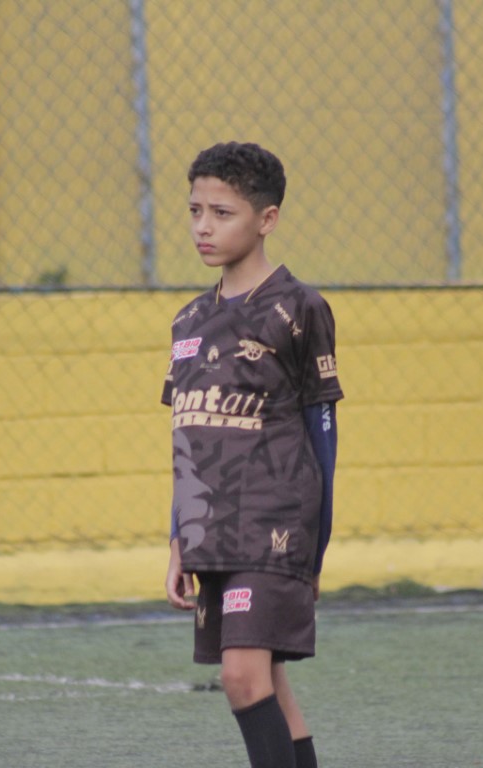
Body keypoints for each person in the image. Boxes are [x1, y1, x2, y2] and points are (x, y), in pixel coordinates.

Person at [163, 142, 343, 768]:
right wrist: (178, 538)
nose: (203, 227)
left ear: (267, 219)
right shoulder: (188, 322)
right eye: (195, 211)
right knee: (268, 683)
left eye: (222, 213)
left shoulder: (299, 308)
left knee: (241, 678)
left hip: (275, 526)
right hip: (212, 531)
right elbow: (188, 440)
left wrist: (315, 549)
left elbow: (324, 436)